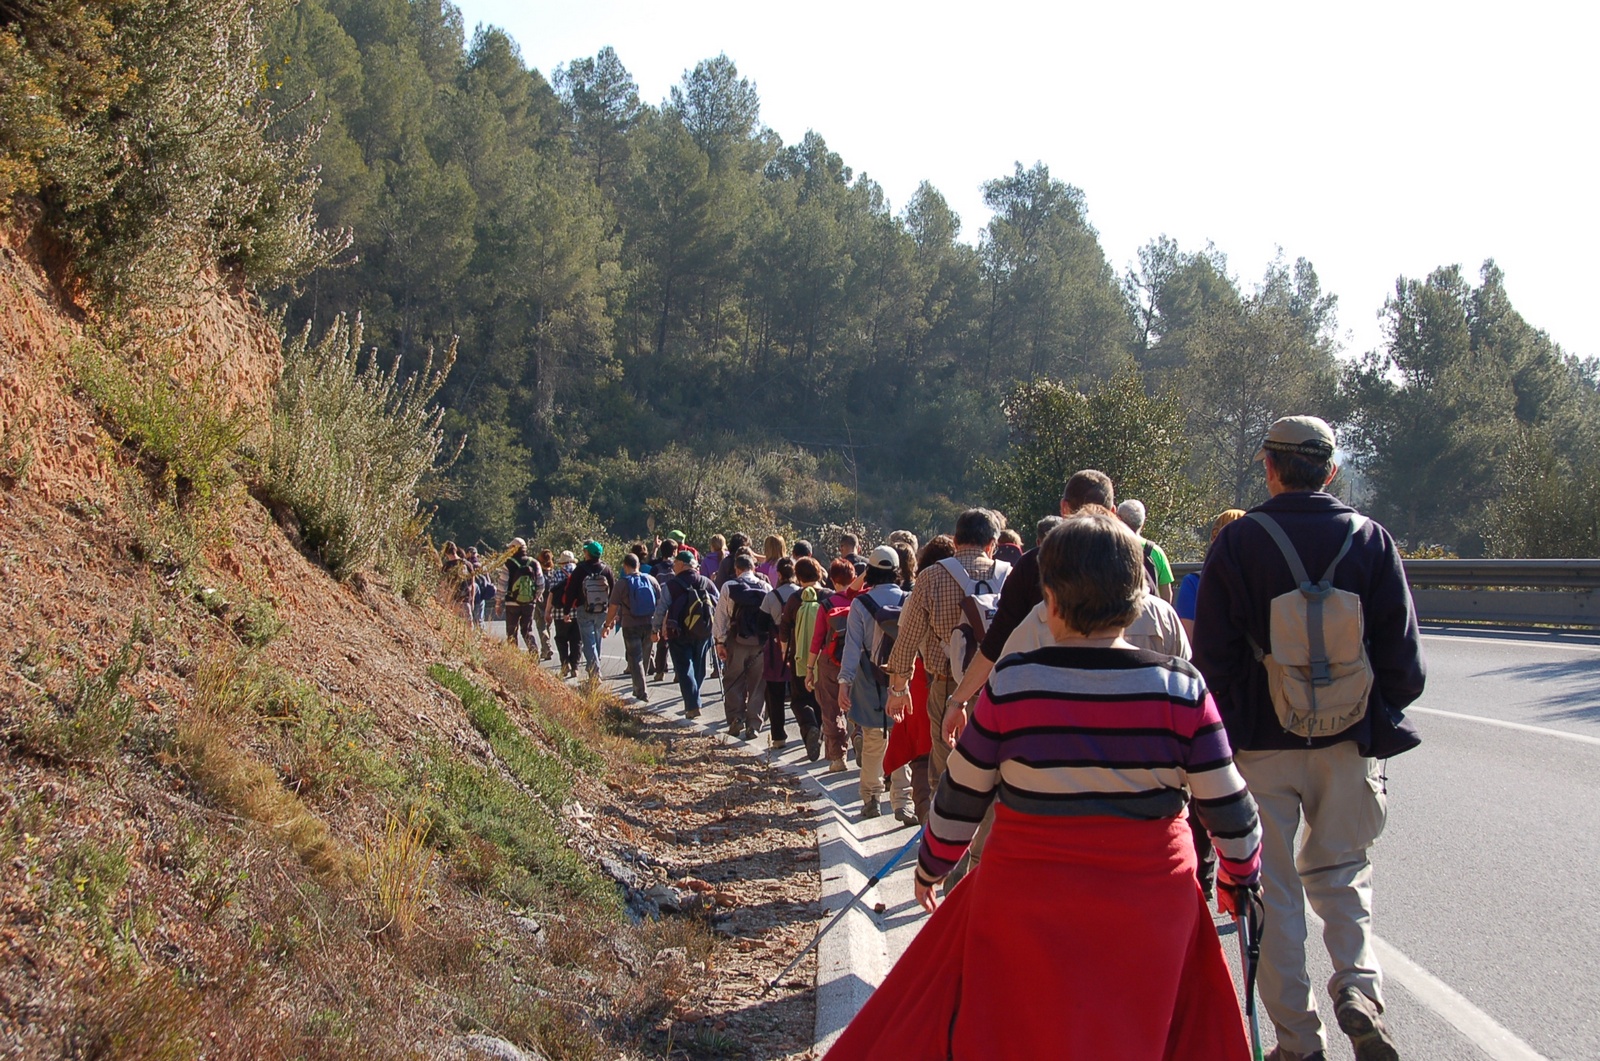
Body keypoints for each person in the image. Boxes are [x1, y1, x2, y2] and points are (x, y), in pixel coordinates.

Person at [826, 512, 1262, 1061]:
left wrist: (931, 867)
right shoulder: (1182, 688)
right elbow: (1232, 810)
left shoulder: (1013, 684)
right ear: (1139, 600)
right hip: (1150, 908)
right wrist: (1240, 878)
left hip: (1024, 902)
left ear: (1049, 600)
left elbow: (961, 796)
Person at [1193, 415, 1425, 1061]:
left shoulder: (1238, 542)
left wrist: (1235, 728)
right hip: (1349, 742)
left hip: (1261, 746)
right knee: (1344, 872)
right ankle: (1358, 988)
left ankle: (1298, 1042)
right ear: (1331, 471)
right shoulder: (1371, 539)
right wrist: (1369, 710)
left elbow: (1213, 657)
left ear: (1269, 468)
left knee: (1272, 893)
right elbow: (1405, 662)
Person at [943, 471, 1117, 743]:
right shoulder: (1136, 564)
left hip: (1046, 712)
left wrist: (958, 701)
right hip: (1119, 711)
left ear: (1064, 508)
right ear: (1113, 511)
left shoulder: (1035, 565)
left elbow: (996, 640)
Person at [883, 508, 1009, 792]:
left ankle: (944, 818)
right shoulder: (1008, 576)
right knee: (994, 771)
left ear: (955, 541)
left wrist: (898, 689)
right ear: (992, 544)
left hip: (947, 686)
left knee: (945, 771)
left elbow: (907, 641)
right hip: (999, 686)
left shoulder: (932, 577)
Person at [838, 546, 911, 820]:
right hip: (902, 680)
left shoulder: (860, 604)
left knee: (872, 740)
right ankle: (903, 801)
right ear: (896, 571)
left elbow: (852, 647)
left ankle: (871, 798)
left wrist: (844, 683)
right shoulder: (908, 599)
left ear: (869, 571)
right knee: (901, 738)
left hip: (869, 679)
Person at [807, 558, 858, 771]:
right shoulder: (860, 602)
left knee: (831, 709)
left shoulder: (827, 605)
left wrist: (809, 669)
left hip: (830, 660)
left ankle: (838, 757)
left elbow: (817, 640)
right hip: (856, 660)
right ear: (853, 578)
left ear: (833, 581)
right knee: (857, 704)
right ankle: (859, 736)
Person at [713, 552, 772, 739]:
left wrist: (719, 642)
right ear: (753, 568)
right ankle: (753, 724)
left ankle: (736, 718)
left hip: (736, 640)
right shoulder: (765, 586)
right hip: (759, 643)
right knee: (758, 683)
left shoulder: (729, 586)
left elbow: (721, 617)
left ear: (737, 569)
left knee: (733, 679)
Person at [654, 549, 720, 718]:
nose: (673, 566)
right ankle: (694, 699)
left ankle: (692, 706)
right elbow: (719, 605)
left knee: (684, 668)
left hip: (679, 632)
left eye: (675, 563)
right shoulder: (706, 582)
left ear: (682, 565)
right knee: (698, 667)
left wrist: (655, 629)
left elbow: (661, 608)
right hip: (703, 631)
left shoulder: (671, 585)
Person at [779, 556, 827, 761]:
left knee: (800, 699)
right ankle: (821, 732)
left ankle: (809, 727)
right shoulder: (829, 596)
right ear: (819, 573)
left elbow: (784, 629)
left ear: (798, 577)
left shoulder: (794, 599)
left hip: (799, 656)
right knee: (822, 699)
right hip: (825, 658)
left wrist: (784, 653)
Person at [1176, 509, 1246, 640]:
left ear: (1214, 538)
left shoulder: (1193, 583)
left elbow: (1187, 638)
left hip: (1210, 652)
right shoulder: (1261, 582)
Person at [604, 552, 661, 704]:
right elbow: (660, 603)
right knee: (645, 656)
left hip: (630, 625)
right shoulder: (651, 579)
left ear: (625, 566)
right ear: (639, 565)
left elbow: (613, 607)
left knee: (635, 658)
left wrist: (607, 624)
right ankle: (641, 686)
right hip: (649, 623)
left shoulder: (622, 584)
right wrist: (658, 625)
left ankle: (641, 691)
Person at [760, 557, 801, 749]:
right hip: (800, 645)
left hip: (776, 648)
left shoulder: (771, 596)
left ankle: (778, 736)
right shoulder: (802, 594)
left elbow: (761, 623)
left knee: (774, 694)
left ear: (779, 575)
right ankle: (810, 729)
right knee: (801, 692)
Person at [563, 541, 614, 680]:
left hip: (584, 609)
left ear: (588, 553)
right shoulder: (606, 570)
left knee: (589, 642)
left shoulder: (580, 570)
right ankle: (594, 668)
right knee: (597, 640)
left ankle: (595, 673)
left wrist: (566, 611)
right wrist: (612, 614)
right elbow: (613, 592)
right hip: (602, 610)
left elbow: (571, 591)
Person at [1117, 499, 1176, 603]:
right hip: (1149, 609)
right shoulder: (1156, 551)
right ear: (1143, 521)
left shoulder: (1112, 549)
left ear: (1118, 519)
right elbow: (1166, 595)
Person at [545, 551, 580, 679]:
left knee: (561, 639)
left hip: (560, 613)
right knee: (576, 640)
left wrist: (547, 611)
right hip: (577, 612)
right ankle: (575, 667)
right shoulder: (580, 573)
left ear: (562, 562)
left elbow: (552, 594)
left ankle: (565, 665)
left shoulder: (557, 574)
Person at [502, 538, 541, 652]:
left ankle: (514, 655)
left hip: (511, 602)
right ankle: (533, 652)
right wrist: (535, 596)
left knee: (511, 631)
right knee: (527, 630)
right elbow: (541, 583)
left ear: (514, 549)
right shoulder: (534, 563)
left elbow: (502, 585)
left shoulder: (508, 563)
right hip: (529, 603)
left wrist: (498, 602)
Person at [533, 549, 557, 660]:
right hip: (551, 602)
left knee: (541, 626)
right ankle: (545, 650)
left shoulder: (538, 573)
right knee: (548, 625)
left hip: (541, 601)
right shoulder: (553, 573)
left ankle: (547, 647)